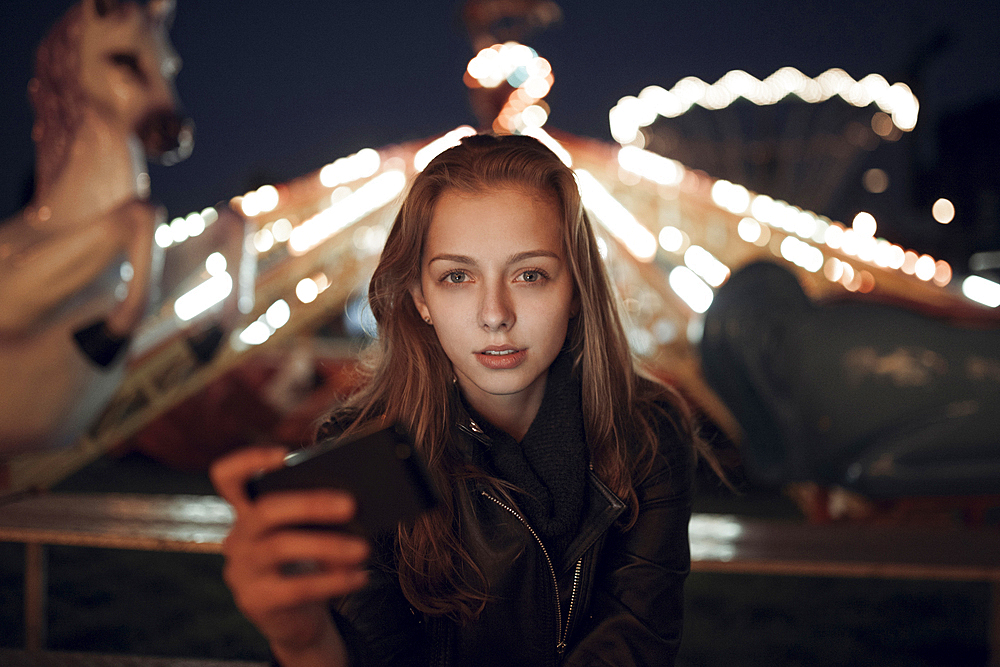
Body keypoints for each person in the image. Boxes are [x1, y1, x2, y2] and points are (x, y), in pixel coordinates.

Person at [212, 133, 712, 666]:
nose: (494, 313)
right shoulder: (363, 450)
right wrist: (305, 643)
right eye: (457, 276)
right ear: (420, 299)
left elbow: (635, 644)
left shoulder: (646, 432)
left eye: (530, 275)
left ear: (575, 292)